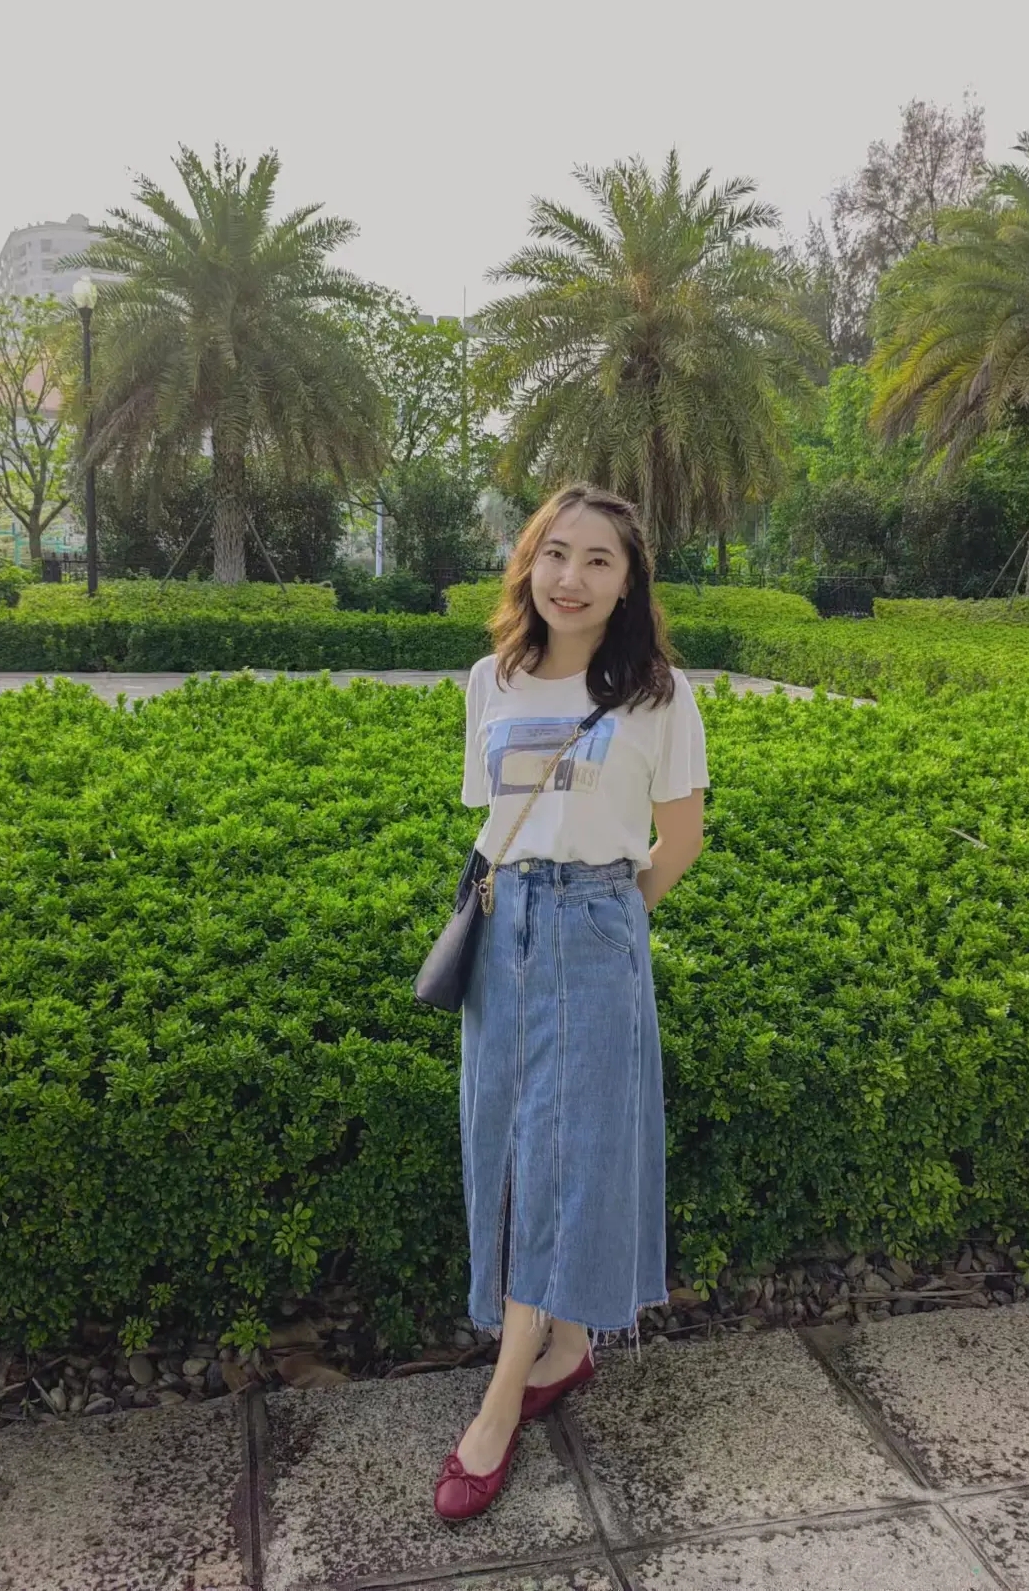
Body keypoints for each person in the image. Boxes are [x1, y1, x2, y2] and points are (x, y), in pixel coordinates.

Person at [434, 483, 710, 1523]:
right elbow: (492, 818)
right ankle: (569, 1344)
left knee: (564, 1156)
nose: (571, 577)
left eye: (599, 560)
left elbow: (679, 839)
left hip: (594, 929)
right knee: (506, 1145)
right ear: (528, 562)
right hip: (500, 928)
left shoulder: (657, 695)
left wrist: (603, 919)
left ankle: (502, 1399)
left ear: (628, 581)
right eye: (555, 553)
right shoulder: (491, 680)